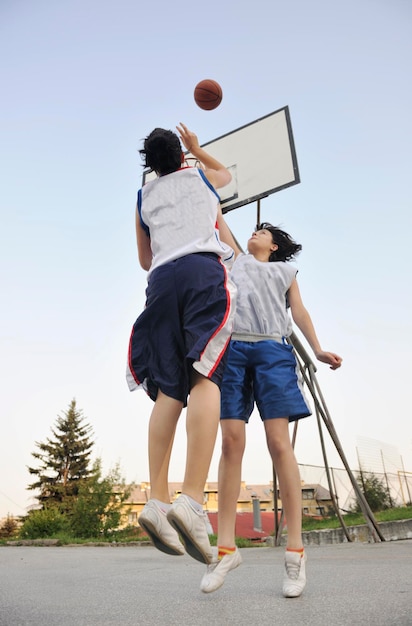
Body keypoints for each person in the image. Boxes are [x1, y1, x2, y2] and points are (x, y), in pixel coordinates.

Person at [200, 219, 342, 596]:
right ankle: (226, 549)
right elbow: (218, 214)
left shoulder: (284, 271)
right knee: (230, 442)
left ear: (275, 246)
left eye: (264, 233)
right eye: (254, 231)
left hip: (272, 350)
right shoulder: (237, 261)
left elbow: (299, 312)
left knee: (279, 443)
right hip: (234, 349)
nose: (255, 234)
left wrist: (317, 348)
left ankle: (295, 552)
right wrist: (196, 161)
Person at [126, 123, 237, 565]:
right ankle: (191, 501)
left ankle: (156, 499)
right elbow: (226, 174)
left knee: (169, 391)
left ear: (148, 165)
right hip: (200, 273)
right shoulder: (201, 176)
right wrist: (198, 150)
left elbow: (144, 260)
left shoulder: (142, 198)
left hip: (161, 283)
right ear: (181, 156)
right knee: (205, 377)